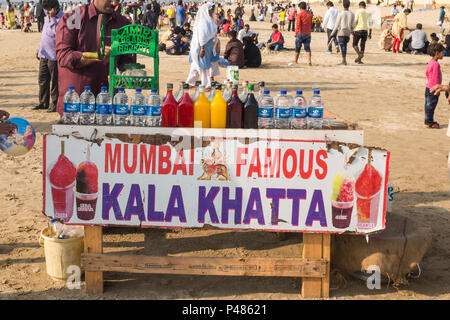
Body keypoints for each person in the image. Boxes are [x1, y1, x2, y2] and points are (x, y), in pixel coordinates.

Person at [55, 0, 133, 116]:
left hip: (107, 104)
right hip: (75, 104)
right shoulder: (74, 18)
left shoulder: (123, 23)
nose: (114, 4)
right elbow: (64, 56)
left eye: (118, 0)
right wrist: (97, 55)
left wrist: (126, 72)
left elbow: (126, 60)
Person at [34, 0, 62, 112]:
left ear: (55, 8)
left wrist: (54, 18)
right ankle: (43, 102)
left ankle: (54, 104)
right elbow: (44, 34)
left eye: (49, 9)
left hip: (54, 55)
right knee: (42, 79)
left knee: (54, 81)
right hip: (44, 53)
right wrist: (39, 48)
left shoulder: (62, 19)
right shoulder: (48, 17)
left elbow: (58, 35)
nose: (47, 12)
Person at [186, 3, 217, 89]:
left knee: (196, 66)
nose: (212, 11)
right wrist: (202, 49)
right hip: (202, 46)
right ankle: (206, 85)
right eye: (211, 10)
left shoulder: (209, 20)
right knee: (203, 66)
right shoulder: (204, 22)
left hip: (207, 45)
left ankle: (190, 82)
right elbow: (202, 36)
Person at [424, 43, 445, 128]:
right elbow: (436, 79)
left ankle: (428, 120)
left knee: (428, 105)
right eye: (442, 52)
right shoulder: (436, 64)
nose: (443, 54)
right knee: (431, 106)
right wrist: (437, 90)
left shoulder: (430, 62)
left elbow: (427, 74)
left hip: (428, 87)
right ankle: (429, 122)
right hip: (433, 89)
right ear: (437, 53)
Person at [330, 0, 354, 65]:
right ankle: (344, 60)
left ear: (343, 5)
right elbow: (352, 25)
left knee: (342, 46)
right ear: (349, 5)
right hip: (347, 33)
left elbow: (337, 25)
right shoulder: (352, 14)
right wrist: (352, 32)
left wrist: (332, 33)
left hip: (341, 32)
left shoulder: (340, 13)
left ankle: (344, 60)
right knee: (345, 46)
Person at [294, 1, 313, 65]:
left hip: (300, 33)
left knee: (298, 47)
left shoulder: (299, 14)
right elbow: (311, 24)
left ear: (300, 7)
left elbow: (298, 24)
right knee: (307, 47)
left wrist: (296, 32)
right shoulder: (310, 15)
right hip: (308, 33)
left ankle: (295, 61)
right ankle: (309, 61)